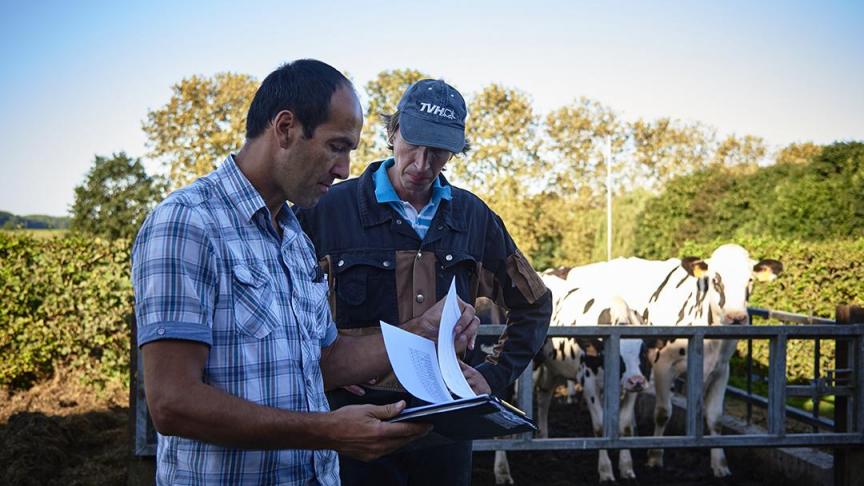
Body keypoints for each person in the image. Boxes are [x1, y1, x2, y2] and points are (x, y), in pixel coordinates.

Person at [131, 60, 479, 485]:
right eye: (337, 147)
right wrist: (326, 431)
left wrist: (425, 331)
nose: (345, 169)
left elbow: (324, 361)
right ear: (285, 129)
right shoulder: (187, 223)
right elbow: (171, 403)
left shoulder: (294, 237)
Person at [296, 79, 553, 485]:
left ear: (455, 150)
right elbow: (282, 304)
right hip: (353, 425)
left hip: (446, 430)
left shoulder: (473, 218)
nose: (421, 164)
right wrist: (324, 361)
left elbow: (534, 303)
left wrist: (493, 375)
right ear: (392, 132)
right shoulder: (325, 210)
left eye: (438, 152)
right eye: (412, 144)